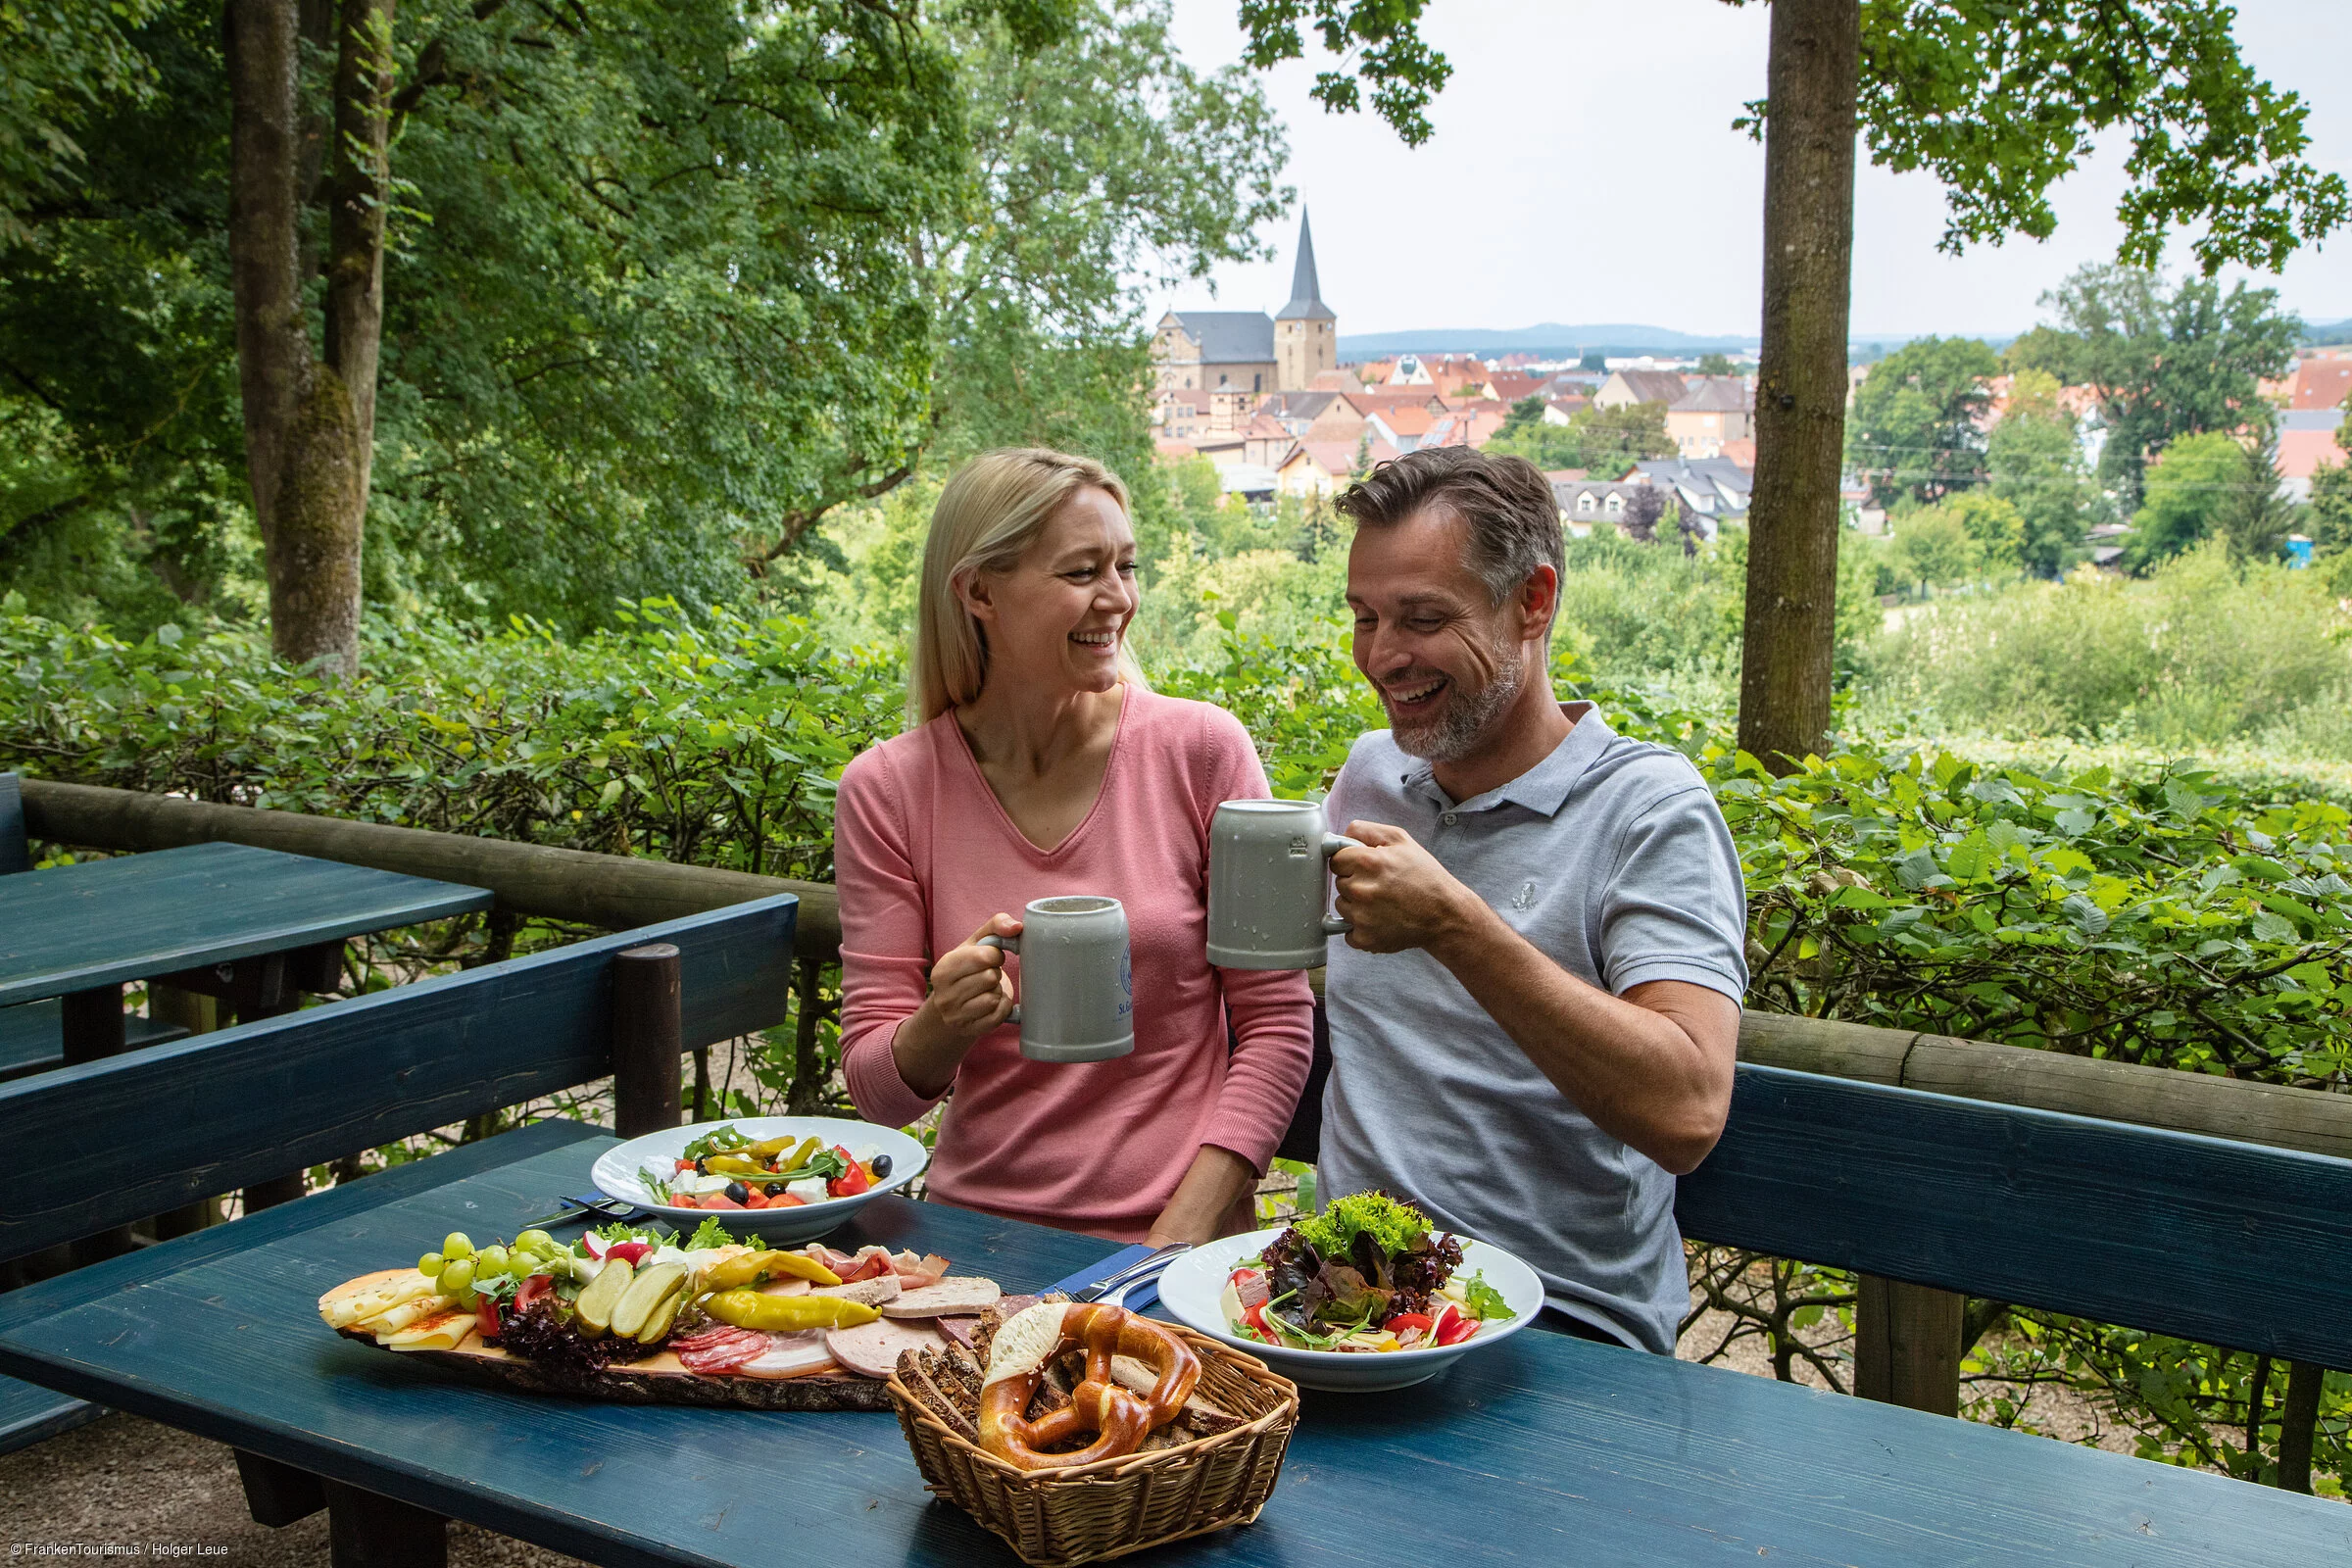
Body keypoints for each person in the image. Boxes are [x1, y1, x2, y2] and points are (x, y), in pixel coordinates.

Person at [1317, 447, 1748, 1353]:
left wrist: (1454, 924)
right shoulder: (1369, 779)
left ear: (1534, 602)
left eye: (1424, 618)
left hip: (1565, 1327)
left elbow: (1688, 1112)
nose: (1383, 656)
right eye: (1365, 618)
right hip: (1342, 1304)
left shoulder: (1649, 810)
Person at [833, 448, 1314, 1247]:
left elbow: (1276, 1027)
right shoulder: (888, 790)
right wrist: (941, 1025)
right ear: (979, 590)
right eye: (1083, 571)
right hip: (969, 1241)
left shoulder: (1200, 751)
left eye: (1126, 566)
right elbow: (881, 1094)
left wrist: (1178, 1236)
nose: (1118, 599)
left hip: (1181, 1248)